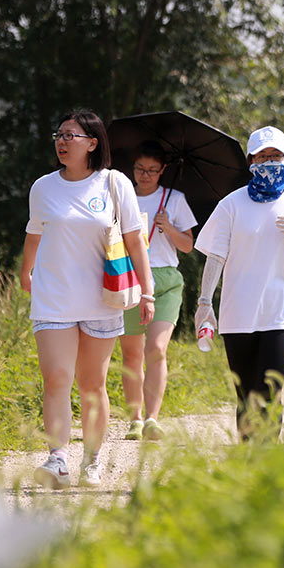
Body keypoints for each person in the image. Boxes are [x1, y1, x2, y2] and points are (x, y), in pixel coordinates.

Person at [20, 110, 155, 488]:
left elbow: (134, 240)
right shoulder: (43, 187)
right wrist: (25, 270)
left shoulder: (114, 184)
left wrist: (147, 290)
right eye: (59, 135)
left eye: (71, 136)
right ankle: (57, 458)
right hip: (54, 297)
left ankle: (92, 460)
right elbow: (34, 234)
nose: (62, 142)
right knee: (56, 378)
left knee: (92, 383)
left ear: (92, 143)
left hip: (103, 299)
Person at [194, 126, 284, 437]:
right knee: (246, 398)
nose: (270, 161)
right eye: (263, 156)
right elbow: (215, 256)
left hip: (282, 311)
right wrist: (204, 303)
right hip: (238, 312)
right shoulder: (232, 204)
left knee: (268, 393)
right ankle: (248, 466)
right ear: (250, 161)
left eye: (276, 156)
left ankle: (266, 466)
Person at [118, 141, 197, 441]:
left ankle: (152, 418)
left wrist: (168, 226)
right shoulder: (123, 197)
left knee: (157, 349)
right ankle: (134, 418)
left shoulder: (173, 199)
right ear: (133, 169)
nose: (146, 175)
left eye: (152, 170)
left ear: (163, 170)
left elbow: (188, 246)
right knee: (131, 354)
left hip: (166, 279)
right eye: (140, 169)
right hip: (130, 278)